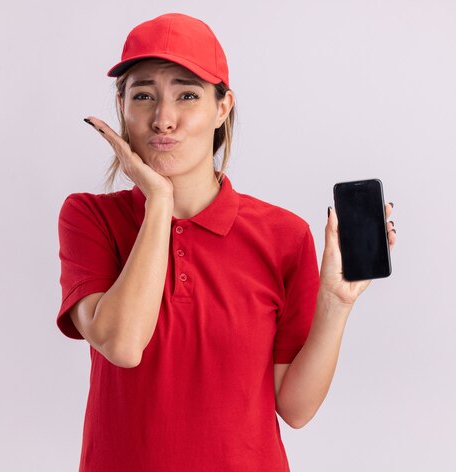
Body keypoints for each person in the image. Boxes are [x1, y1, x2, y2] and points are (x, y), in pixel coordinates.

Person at [56, 12, 397, 472]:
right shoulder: (89, 218)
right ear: (121, 106)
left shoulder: (282, 236)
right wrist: (159, 200)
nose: (164, 119)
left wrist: (336, 303)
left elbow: (294, 409)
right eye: (143, 95)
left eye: (188, 95)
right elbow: (122, 344)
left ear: (222, 107)